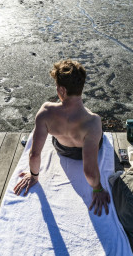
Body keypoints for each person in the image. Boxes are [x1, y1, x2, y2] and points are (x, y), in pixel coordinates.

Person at [13, 59, 110, 217]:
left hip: (62, 149)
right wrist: (98, 188)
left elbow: (35, 154)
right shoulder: (93, 121)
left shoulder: (46, 111)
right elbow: (89, 170)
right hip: (84, 144)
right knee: (93, 128)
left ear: (62, 90)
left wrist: (33, 175)